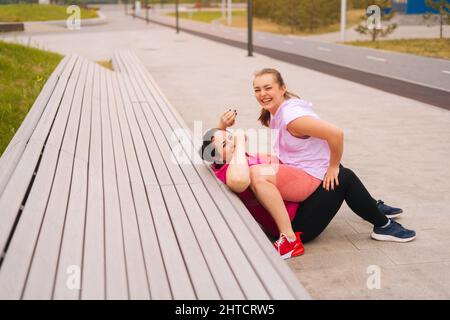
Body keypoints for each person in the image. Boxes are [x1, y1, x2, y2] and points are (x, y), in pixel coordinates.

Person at [249, 68, 416, 243]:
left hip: (297, 205)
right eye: (257, 90)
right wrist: (333, 167)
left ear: (282, 88)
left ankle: (372, 207)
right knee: (343, 176)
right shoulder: (278, 112)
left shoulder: (292, 116)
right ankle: (383, 225)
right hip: (300, 228)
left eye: (268, 88)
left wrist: (333, 166)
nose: (262, 94)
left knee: (336, 170)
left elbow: (336, 134)